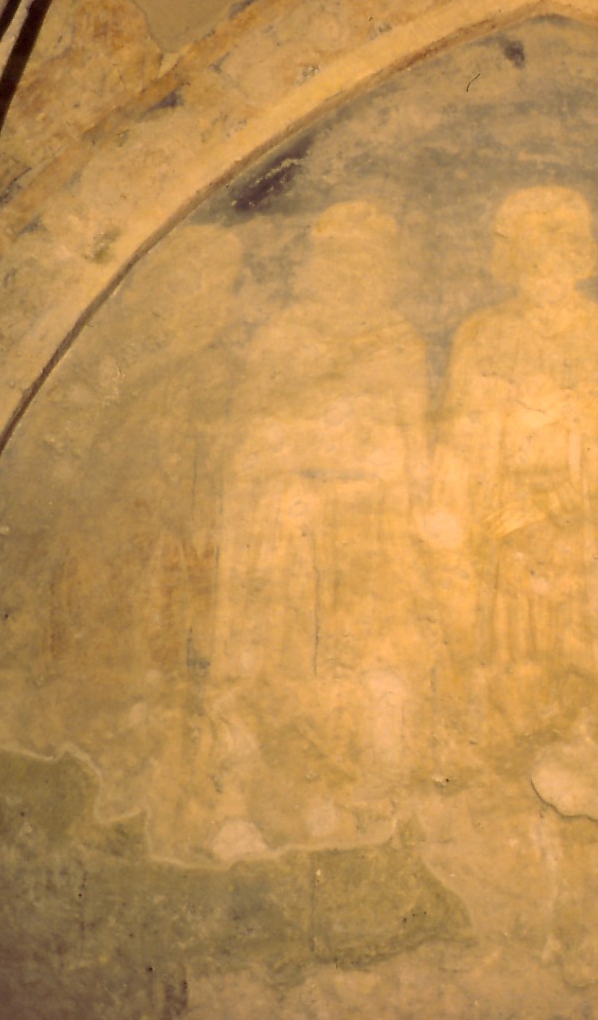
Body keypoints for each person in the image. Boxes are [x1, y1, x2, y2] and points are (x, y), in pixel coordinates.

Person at [209, 199, 433, 860]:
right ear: (317, 263)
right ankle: (257, 804)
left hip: (371, 544)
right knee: (282, 669)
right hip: (290, 537)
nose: (354, 272)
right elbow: (249, 442)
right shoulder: (284, 337)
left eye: (370, 259)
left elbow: (414, 450)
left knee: (367, 673)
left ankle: (364, 807)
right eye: (340, 257)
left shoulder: (400, 342)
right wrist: (307, 453)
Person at [428, 185, 598, 799]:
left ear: (582, 257)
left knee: (583, 665)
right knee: (506, 668)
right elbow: (457, 443)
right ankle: (503, 784)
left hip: (587, 544)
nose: (543, 263)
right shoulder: (480, 336)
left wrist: (549, 505)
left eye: (558, 248)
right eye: (529, 250)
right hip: (500, 540)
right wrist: (456, 524)